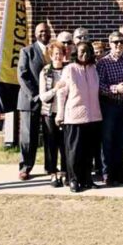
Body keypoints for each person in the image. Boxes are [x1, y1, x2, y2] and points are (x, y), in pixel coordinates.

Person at [55, 42, 102, 193]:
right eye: (82, 51)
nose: (85, 54)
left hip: (93, 116)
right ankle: (73, 180)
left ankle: (87, 179)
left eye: (88, 51)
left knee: (89, 151)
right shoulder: (70, 69)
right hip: (74, 117)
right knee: (74, 151)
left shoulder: (94, 69)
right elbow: (61, 93)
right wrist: (60, 114)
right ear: (76, 53)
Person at [96, 31, 123, 186]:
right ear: (110, 44)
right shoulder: (103, 63)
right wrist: (115, 89)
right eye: (115, 42)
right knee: (108, 140)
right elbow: (99, 86)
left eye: (121, 41)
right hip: (110, 106)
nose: (119, 44)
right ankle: (107, 174)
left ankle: (119, 173)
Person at [17, 22, 52, 180]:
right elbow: (22, 75)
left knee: (50, 135)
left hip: (49, 101)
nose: (44, 33)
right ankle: (25, 167)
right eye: (41, 31)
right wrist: (36, 96)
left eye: (46, 31)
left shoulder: (53, 51)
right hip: (30, 100)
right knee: (28, 136)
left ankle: (50, 166)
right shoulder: (27, 51)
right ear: (36, 34)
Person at [38, 40, 68, 187]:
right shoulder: (45, 72)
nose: (58, 56)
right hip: (49, 113)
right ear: (50, 55)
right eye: (55, 54)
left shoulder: (68, 70)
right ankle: (53, 173)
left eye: (61, 53)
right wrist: (55, 89)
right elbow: (43, 97)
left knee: (65, 144)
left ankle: (65, 172)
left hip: (66, 113)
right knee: (51, 144)